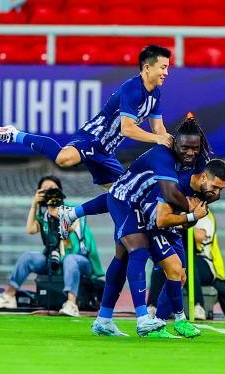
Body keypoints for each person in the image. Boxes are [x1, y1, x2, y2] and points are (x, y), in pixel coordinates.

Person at [0, 44, 173, 190]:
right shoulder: (133, 89)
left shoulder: (155, 94)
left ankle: (73, 215)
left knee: (122, 195)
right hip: (93, 137)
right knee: (63, 158)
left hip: (106, 150)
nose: (166, 73)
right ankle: (14, 134)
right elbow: (127, 129)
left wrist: (168, 142)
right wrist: (158, 140)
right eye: (163, 67)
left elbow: (158, 128)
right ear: (147, 67)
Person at [90, 116, 213, 337]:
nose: (190, 153)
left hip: (158, 214)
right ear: (174, 143)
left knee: (176, 273)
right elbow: (168, 200)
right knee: (139, 252)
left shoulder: (198, 162)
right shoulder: (163, 156)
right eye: (185, 147)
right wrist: (191, 213)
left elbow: (198, 190)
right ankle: (145, 319)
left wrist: (202, 201)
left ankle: (107, 319)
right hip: (132, 205)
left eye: (195, 148)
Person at [0, 176, 103, 317]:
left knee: (70, 260)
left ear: (60, 191)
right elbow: (30, 229)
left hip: (80, 261)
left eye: (53, 189)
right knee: (28, 257)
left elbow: (72, 227)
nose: (50, 192)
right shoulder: (44, 216)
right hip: (54, 259)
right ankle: (9, 297)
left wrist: (58, 214)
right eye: (46, 190)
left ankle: (71, 304)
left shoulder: (72, 209)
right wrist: (34, 203)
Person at [146, 209, 225, 321]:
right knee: (164, 260)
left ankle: (198, 305)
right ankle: (152, 306)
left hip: (205, 264)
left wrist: (182, 221)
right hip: (181, 260)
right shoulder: (170, 211)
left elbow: (200, 236)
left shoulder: (203, 212)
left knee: (186, 258)